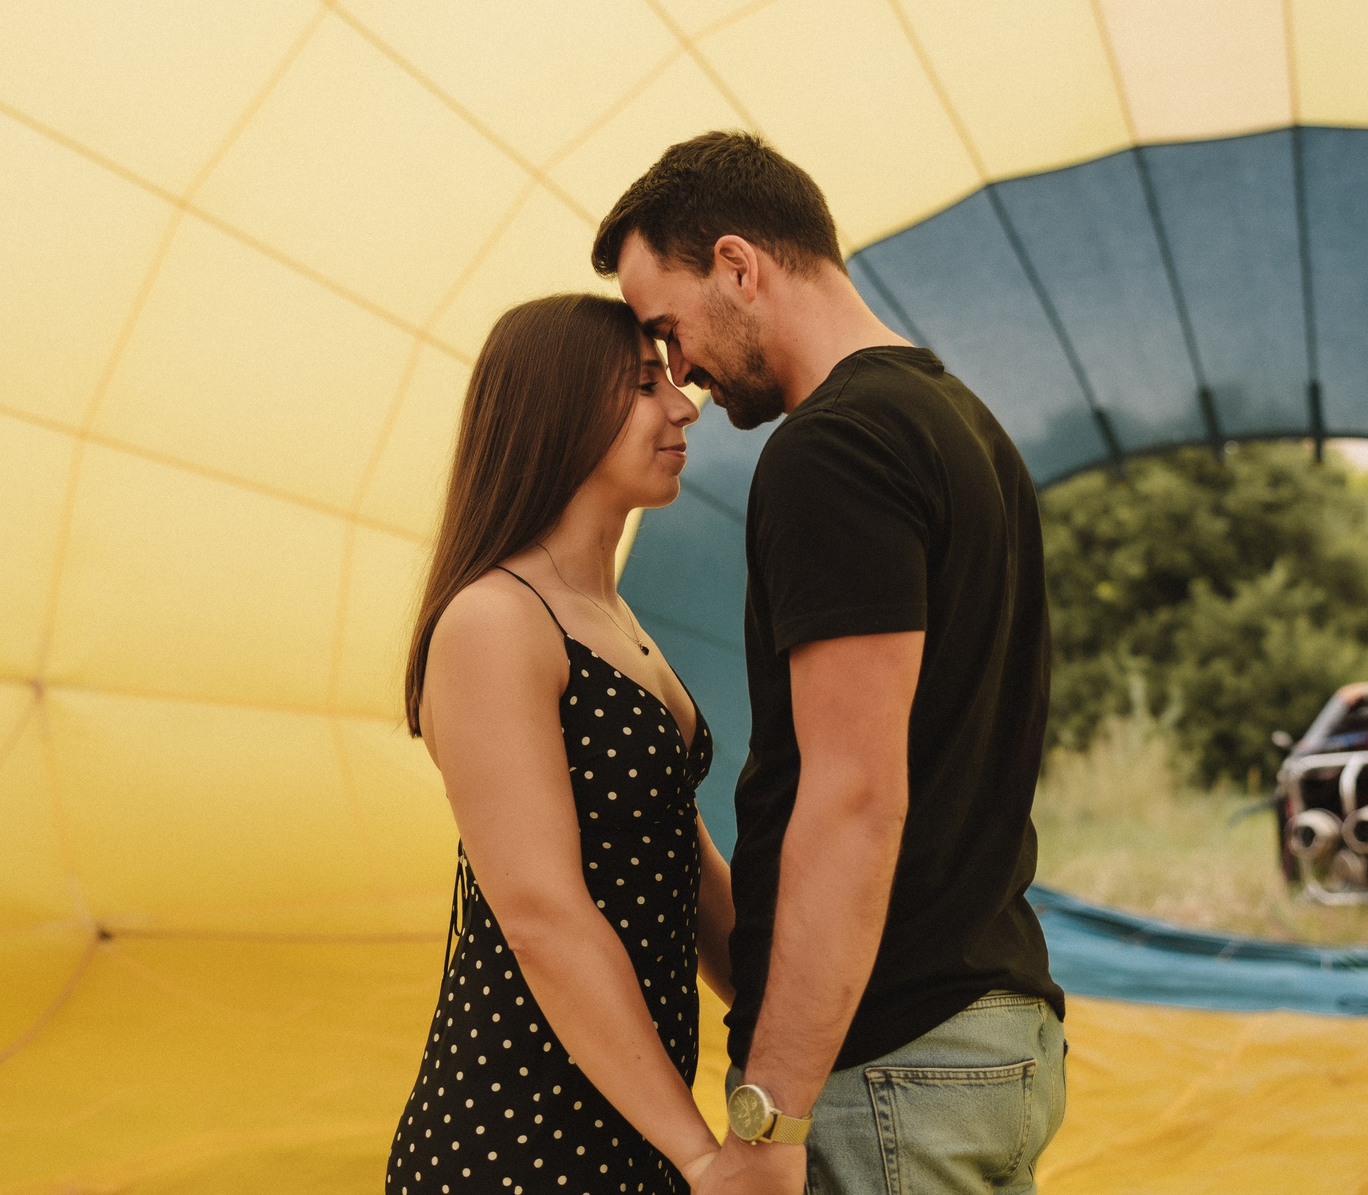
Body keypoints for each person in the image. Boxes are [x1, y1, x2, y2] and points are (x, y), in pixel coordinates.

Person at [593, 133, 1065, 1195]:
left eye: (668, 330)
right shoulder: (962, 424)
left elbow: (853, 797)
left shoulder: (832, 449)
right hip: (991, 1038)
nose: (681, 376)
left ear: (738, 264)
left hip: (889, 1059)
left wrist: (769, 1115)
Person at [387, 292, 734, 1194]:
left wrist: (821, 1025)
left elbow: (686, 872)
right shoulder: (496, 620)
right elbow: (543, 917)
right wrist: (698, 1153)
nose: (684, 406)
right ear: (560, 411)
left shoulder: (612, 616)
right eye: (643, 386)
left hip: (632, 1116)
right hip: (520, 1135)